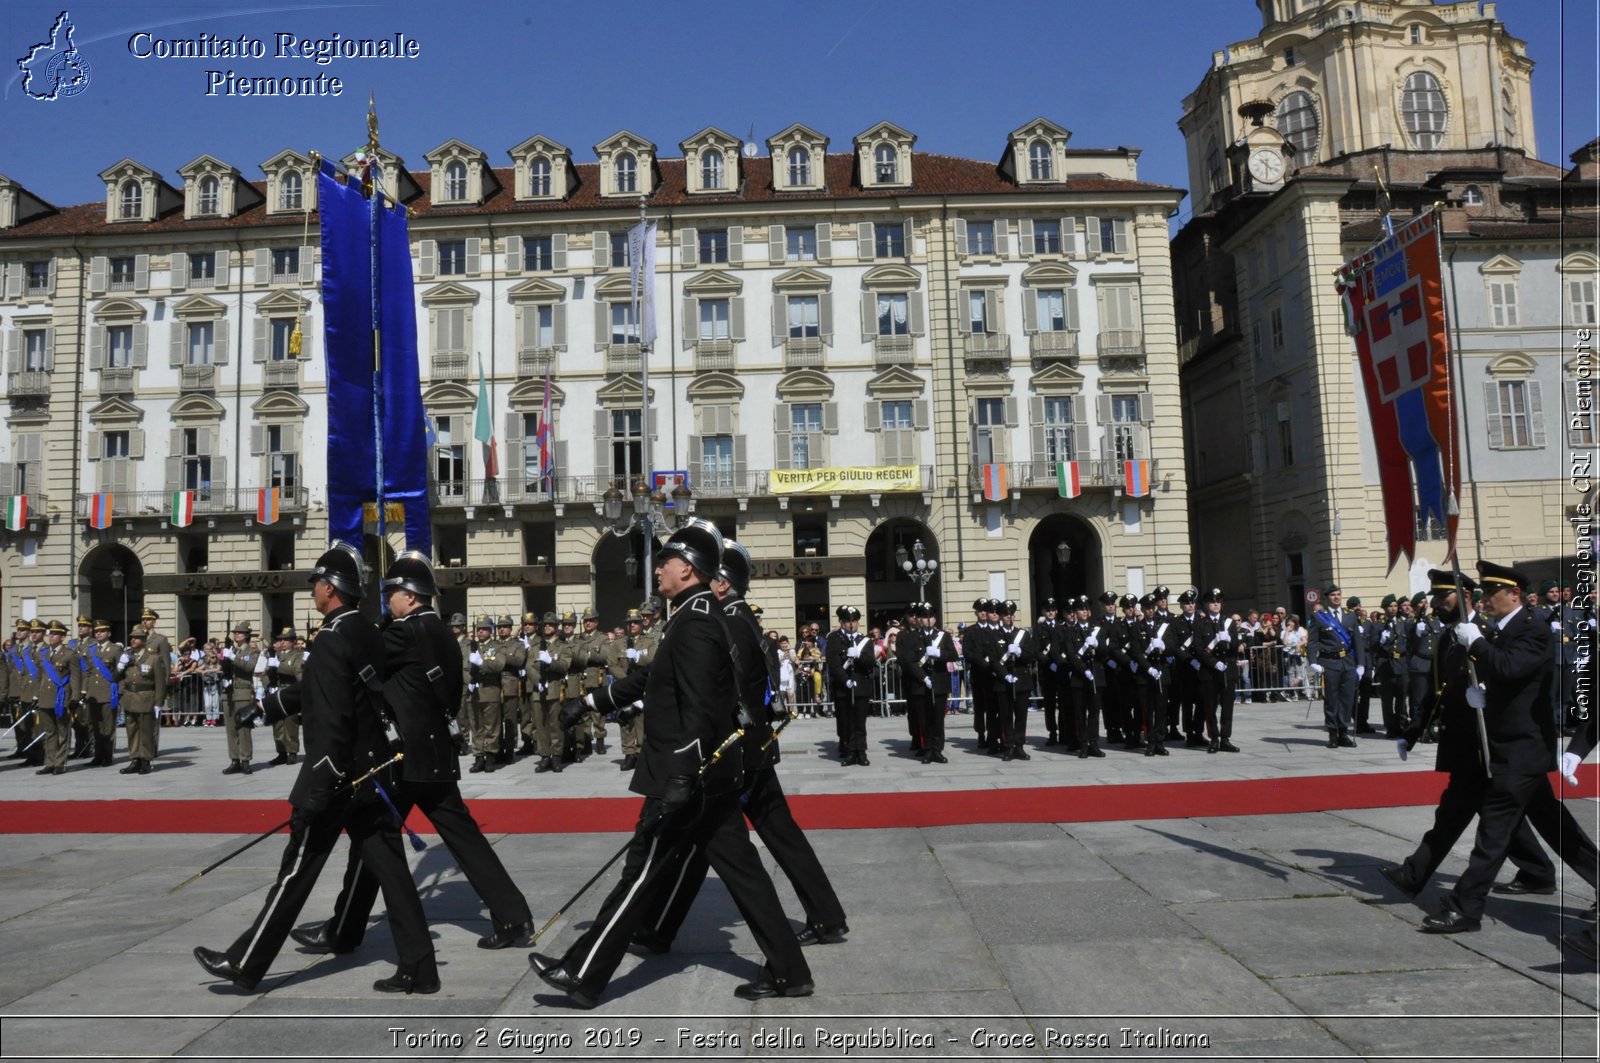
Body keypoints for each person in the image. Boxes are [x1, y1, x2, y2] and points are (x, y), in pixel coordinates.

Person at [530, 521, 814, 1007]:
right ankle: (790, 971)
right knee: (743, 873)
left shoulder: (698, 621)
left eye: (665, 561)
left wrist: (683, 773)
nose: (658, 567)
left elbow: (702, 707)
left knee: (641, 873)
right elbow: (650, 679)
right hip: (707, 777)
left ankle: (583, 972)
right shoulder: (692, 614)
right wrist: (594, 701)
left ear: (686, 569)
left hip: (691, 777)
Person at [193, 542, 438, 995]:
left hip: (339, 775)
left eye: (317, 584)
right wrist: (270, 706)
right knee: (394, 874)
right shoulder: (365, 629)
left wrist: (319, 785)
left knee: (296, 871)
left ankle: (247, 964)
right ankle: (421, 968)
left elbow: (330, 717)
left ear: (329, 588)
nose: (313, 591)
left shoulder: (330, 636)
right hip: (374, 771)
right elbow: (329, 689)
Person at [290, 551, 535, 955]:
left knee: (372, 842)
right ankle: (512, 914)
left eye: (392, 593)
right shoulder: (440, 632)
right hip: (436, 752)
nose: (388, 600)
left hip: (405, 759)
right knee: (464, 839)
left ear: (410, 595)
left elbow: (358, 662)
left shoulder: (405, 632)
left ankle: (344, 930)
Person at [626, 537, 848, 953]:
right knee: (735, 839)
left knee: (708, 840)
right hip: (749, 750)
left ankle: (660, 928)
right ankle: (825, 916)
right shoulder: (737, 618)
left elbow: (728, 695)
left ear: (723, 583)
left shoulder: (727, 621)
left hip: (738, 754)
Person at [1404, 562, 1595, 934]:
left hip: (1521, 749)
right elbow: (1502, 679)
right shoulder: (1499, 630)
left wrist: (1475, 644)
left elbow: (1509, 668)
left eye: (1492, 593)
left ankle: (1465, 907)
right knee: (1560, 832)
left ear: (1515, 595)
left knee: (1493, 833)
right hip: (1507, 747)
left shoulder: (1533, 629)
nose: (1485, 599)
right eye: (1485, 593)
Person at [1309, 584, 1365, 749]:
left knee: (1347, 699)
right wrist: (1313, 661)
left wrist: (1361, 664)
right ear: (1327, 598)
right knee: (1332, 699)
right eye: (1333, 595)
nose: (1336, 597)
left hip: (1348, 662)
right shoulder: (1320, 617)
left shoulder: (1350, 616)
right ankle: (1333, 734)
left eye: (1338, 594)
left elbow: (1358, 643)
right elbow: (1313, 641)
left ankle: (1344, 733)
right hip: (1330, 662)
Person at [825, 605, 876, 765]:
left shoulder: (865, 640)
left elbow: (870, 662)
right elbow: (833, 663)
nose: (851, 624)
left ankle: (860, 752)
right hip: (842, 686)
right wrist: (845, 680)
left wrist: (859, 655)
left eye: (854, 621)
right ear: (841, 622)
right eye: (847, 621)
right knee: (845, 721)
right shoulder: (834, 638)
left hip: (861, 686)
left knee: (860, 721)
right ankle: (849, 751)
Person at [116, 628, 166, 775]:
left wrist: (158, 702)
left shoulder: (153, 658)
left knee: (145, 732)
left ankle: (146, 760)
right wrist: (120, 666)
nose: (133, 640)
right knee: (131, 731)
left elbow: (160, 682)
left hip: (146, 698)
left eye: (137, 638)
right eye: (132, 637)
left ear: (144, 641)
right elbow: (115, 678)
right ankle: (135, 759)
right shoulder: (127, 657)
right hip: (130, 698)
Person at [221, 622, 261, 775]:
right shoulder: (231, 649)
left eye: (241, 633)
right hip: (229, 693)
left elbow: (249, 667)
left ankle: (245, 760)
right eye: (236, 632)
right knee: (230, 729)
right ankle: (234, 759)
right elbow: (224, 667)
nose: (237, 635)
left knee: (244, 728)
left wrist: (233, 657)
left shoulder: (251, 651)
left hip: (243, 693)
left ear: (247, 635)